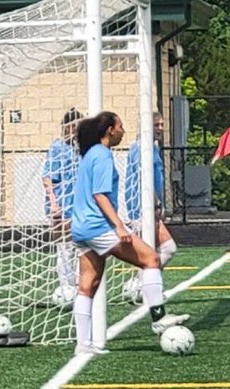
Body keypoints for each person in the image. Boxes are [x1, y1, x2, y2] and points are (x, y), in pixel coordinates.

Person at [69, 110, 188, 355]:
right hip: (98, 225)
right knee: (151, 259)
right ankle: (159, 318)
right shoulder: (102, 155)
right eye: (120, 126)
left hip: (81, 227)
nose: (123, 131)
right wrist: (119, 226)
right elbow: (99, 194)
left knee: (87, 286)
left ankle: (82, 345)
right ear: (110, 130)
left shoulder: (90, 154)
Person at [122, 112, 177, 285]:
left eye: (162, 124)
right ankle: (141, 285)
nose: (160, 128)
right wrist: (156, 203)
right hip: (141, 208)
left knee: (165, 249)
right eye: (156, 125)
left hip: (151, 207)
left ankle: (143, 283)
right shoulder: (140, 147)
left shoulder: (153, 148)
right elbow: (142, 177)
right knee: (161, 249)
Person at [41, 107, 82, 300]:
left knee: (81, 245)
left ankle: (80, 286)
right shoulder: (58, 147)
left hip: (79, 206)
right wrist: (53, 202)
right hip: (62, 204)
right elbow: (48, 176)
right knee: (65, 247)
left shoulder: (82, 150)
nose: (76, 131)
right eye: (73, 127)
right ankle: (66, 287)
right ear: (66, 128)